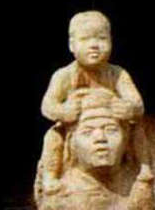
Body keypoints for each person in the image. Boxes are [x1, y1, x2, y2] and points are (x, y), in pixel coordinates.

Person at [35, 10, 146, 198]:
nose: (94, 45)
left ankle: (144, 168)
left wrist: (128, 109)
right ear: (72, 45)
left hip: (111, 131)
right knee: (53, 136)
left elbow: (137, 105)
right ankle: (50, 176)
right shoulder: (64, 75)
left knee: (137, 129)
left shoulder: (118, 74)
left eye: (101, 39)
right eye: (85, 39)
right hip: (78, 133)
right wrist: (63, 111)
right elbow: (47, 106)